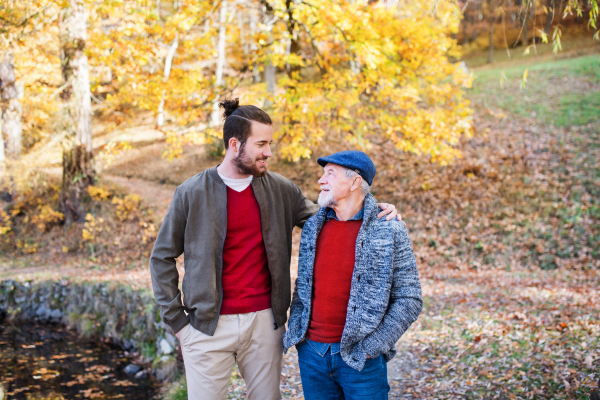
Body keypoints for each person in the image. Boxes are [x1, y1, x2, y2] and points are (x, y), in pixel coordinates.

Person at [149, 99, 401, 400]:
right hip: (206, 328)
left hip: (264, 326)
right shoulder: (191, 192)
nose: (269, 152)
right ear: (234, 144)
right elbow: (161, 257)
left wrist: (373, 207)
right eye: (261, 144)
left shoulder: (281, 189)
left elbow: (329, 218)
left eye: (270, 143)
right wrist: (177, 322)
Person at [284, 150, 423, 400]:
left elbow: (409, 298)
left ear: (355, 182)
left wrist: (373, 347)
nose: (321, 180)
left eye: (330, 173)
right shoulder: (313, 227)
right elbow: (303, 288)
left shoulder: (389, 229)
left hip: (361, 360)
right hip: (312, 354)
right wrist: (298, 332)